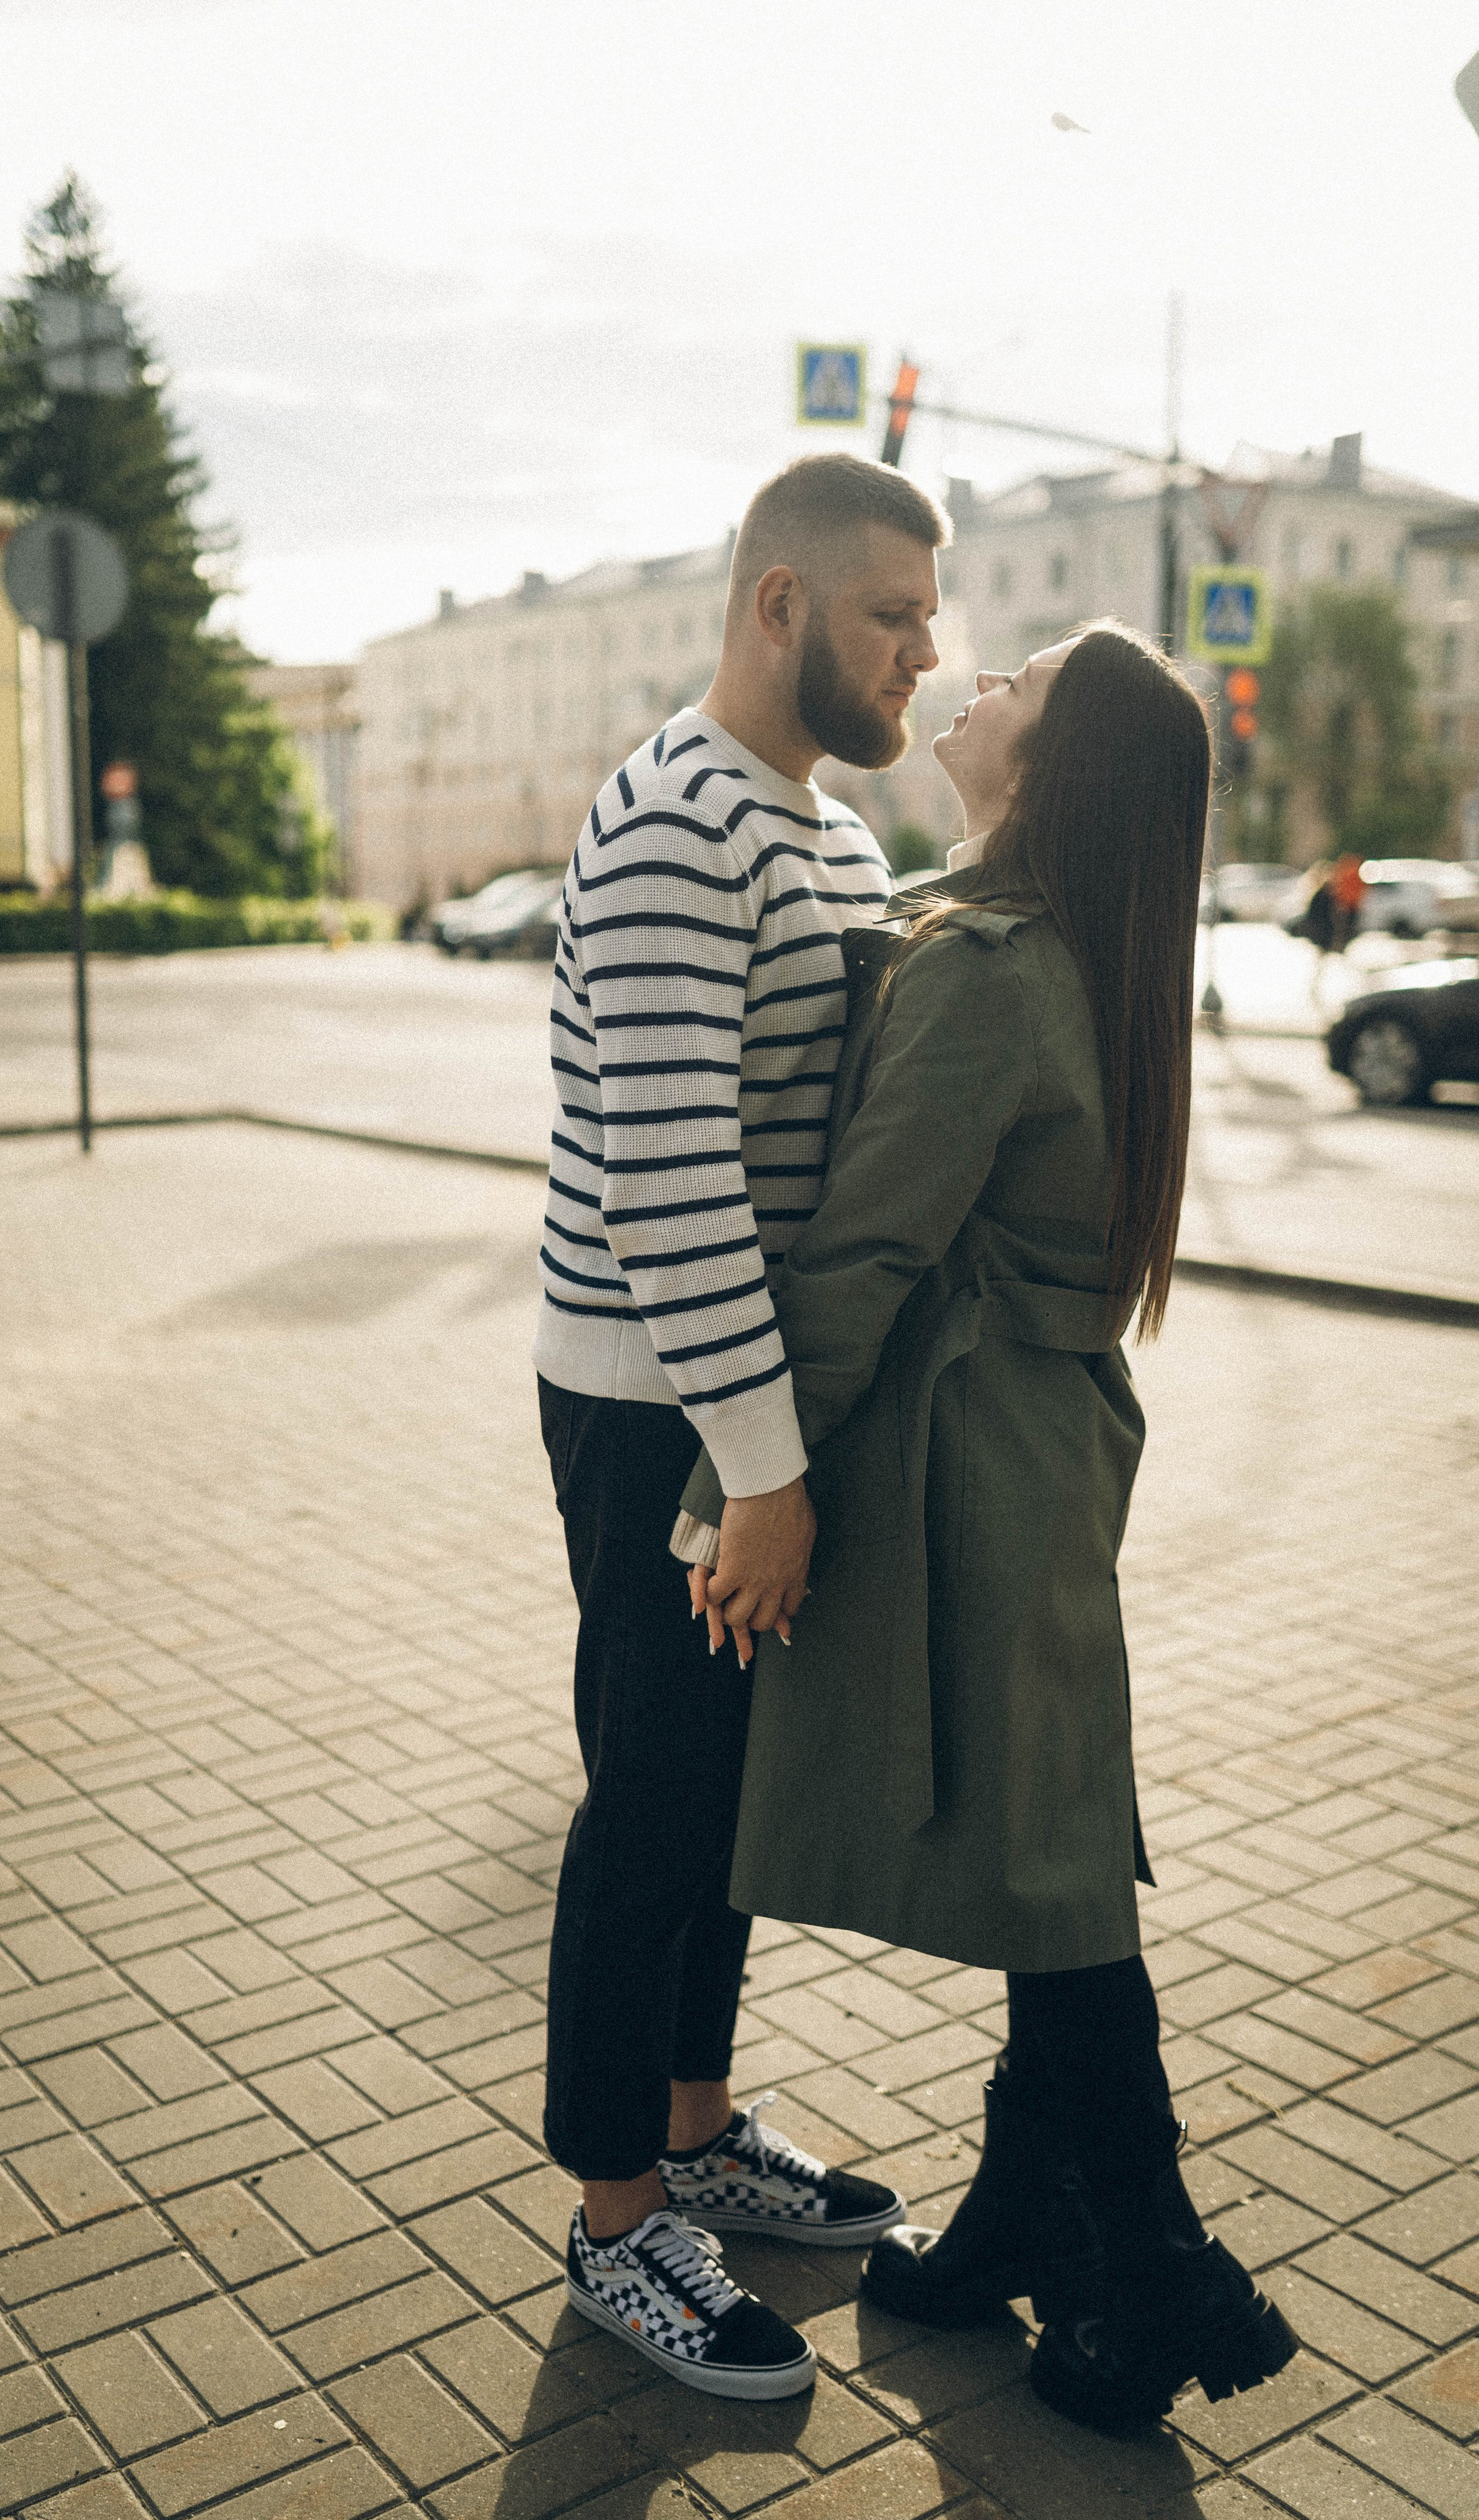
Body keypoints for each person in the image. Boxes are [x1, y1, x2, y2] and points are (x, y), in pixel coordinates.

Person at [673, 622, 1302, 2434]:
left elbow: (862, 1256)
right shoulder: (1075, 960)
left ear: (1056, 764)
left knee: (1053, 1866)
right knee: (1058, 1854)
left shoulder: (994, 971)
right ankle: (1038, 2207)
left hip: (972, 1467)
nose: (977, 679)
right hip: (1045, 1445)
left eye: (1018, 677)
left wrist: (736, 1492)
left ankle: (1162, 2257)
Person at [534, 453, 948, 2399]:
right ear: (780, 604)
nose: (924, 656)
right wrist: (761, 1477)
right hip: (657, 1406)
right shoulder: (673, 825)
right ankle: (621, 2217)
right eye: (894, 615)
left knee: (729, 1798)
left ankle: (698, 2131)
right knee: (652, 1798)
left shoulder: (833, 835)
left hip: (748, 1408)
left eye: (930, 621)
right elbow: (669, 1187)